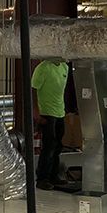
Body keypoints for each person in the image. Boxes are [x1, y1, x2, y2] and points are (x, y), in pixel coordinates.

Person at [32, 58, 70, 190]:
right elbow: (33, 89)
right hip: (46, 112)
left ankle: (54, 175)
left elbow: (63, 91)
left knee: (58, 145)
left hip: (60, 112)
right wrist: (36, 112)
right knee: (48, 146)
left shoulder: (65, 67)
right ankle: (42, 178)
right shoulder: (43, 68)